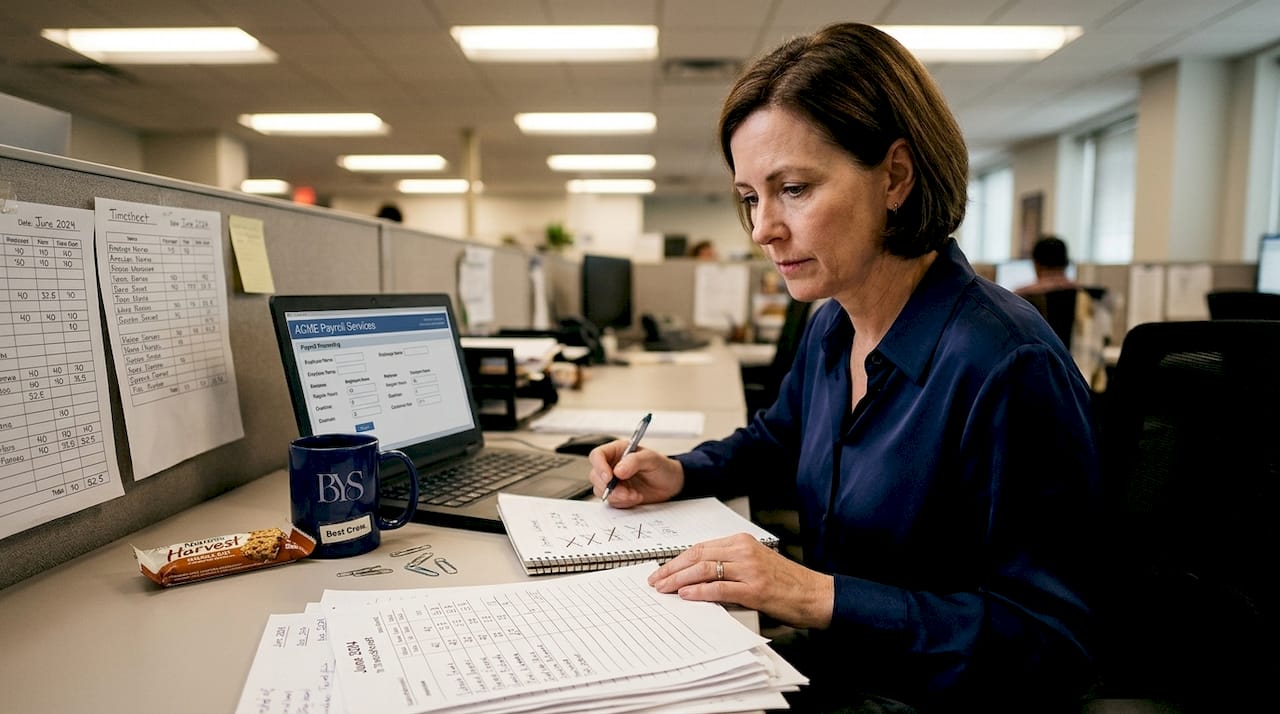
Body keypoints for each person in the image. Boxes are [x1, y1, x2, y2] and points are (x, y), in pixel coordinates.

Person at [587, 22, 1101, 712]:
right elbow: (778, 438)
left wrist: (811, 592)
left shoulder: (1006, 364)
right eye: (749, 197)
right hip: (839, 664)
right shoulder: (833, 324)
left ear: (895, 176)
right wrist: (681, 472)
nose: (763, 228)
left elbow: (1051, 642)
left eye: (792, 188)